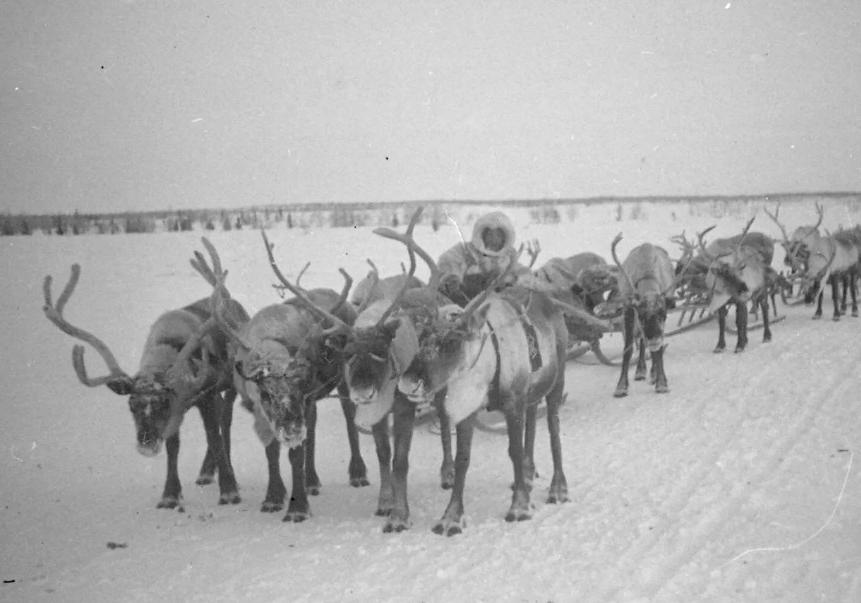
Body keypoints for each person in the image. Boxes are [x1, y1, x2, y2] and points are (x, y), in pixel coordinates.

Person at [437, 211, 529, 305]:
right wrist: (452, 278)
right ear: (482, 235)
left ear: (505, 237)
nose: (494, 239)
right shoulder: (465, 250)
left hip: (497, 306)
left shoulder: (508, 258)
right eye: (490, 235)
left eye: (498, 235)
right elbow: (447, 262)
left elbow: (524, 275)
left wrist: (511, 280)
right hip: (463, 302)